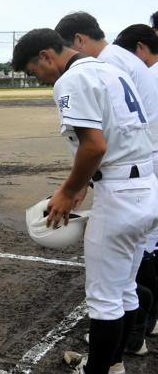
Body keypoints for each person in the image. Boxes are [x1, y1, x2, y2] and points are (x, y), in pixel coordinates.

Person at [13, 28, 158, 374]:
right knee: (124, 291)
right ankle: (115, 365)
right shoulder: (112, 69)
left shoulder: (72, 79)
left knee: (104, 302)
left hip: (119, 197)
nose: (39, 79)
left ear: (47, 56)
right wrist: (83, 184)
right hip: (146, 187)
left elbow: (94, 146)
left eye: (35, 71)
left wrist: (67, 190)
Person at [113, 23, 158, 342]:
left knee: (141, 247)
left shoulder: (150, 74)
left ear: (141, 47)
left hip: (148, 163)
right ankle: (149, 323)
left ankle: (136, 332)